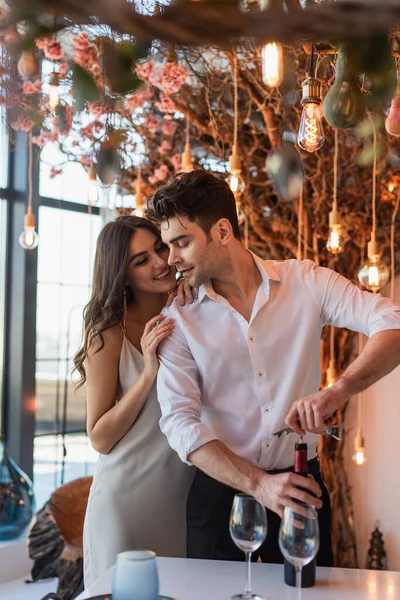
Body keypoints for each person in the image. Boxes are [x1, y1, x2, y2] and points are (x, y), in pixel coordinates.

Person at [147, 169, 400, 565]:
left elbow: (393, 322)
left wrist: (338, 391)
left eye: (181, 243)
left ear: (223, 232)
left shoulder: (307, 282)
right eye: (168, 245)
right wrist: (258, 485)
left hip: (301, 488)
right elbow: (179, 422)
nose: (172, 259)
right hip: (219, 498)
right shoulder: (179, 319)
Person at [73, 216, 195, 588]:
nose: (159, 262)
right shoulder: (108, 331)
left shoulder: (191, 307)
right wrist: (147, 374)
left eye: (159, 248)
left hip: (182, 502)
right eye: (141, 261)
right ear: (122, 275)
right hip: (124, 504)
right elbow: (100, 437)